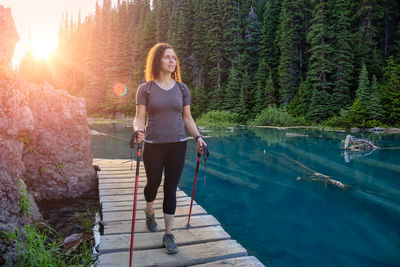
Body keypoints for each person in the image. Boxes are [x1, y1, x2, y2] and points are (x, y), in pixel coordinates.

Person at [133, 43, 207, 254]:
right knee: (153, 184)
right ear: (158, 60)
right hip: (153, 145)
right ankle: (149, 211)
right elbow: (139, 119)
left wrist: (198, 137)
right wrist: (138, 131)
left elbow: (187, 118)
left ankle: (168, 233)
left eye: (174, 57)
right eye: (167, 57)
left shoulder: (182, 89)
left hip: (178, 145)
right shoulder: (145, 89)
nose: (172, 61)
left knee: (170, 189)